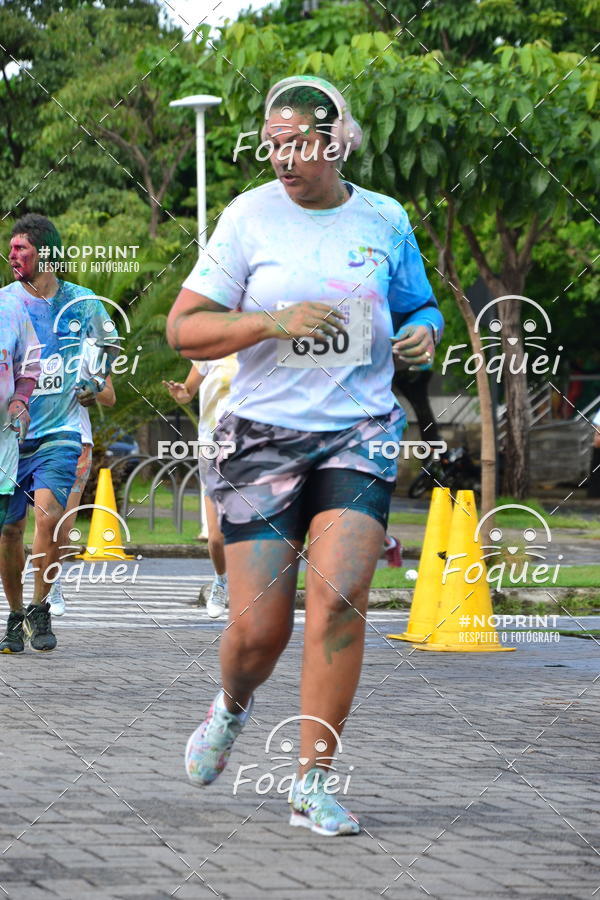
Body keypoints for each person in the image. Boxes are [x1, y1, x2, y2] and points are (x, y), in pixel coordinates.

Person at [167, 76, 443, 835]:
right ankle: (232, 705)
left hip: (358, 433)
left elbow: (419, 304)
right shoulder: (248, 217)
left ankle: (312, 782)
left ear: (336, 141)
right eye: (274, 144)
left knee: (343, 594)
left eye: (299, 143)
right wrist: (270, 322)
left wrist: (427, 329)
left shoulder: (384, 218)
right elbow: (183, 330)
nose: (283, 158)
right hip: (263, 438)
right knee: (261, 631)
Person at [0, 214, 117, 653]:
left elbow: (110, 342)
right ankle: (14, 615)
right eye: (10, 249)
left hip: (61, 430)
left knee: (49, 515)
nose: (11, 256)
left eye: (20, 249)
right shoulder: (5, 303)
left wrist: (94, 381)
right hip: (10, 435)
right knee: (10, 531)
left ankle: (40, 607)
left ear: (44, 254)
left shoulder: (81, 302)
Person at [164, 353, 238, 619]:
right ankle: (221, 581)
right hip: (213, 446)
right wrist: (180, 392)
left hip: (256, 445)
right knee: (216, 538)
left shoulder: (265, 344)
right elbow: (187, 394)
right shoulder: (213, 347)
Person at [47, 337, 116, 616]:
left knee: (62, 522)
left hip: (76, 442)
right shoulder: (21, 338)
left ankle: (51, 582)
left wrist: (91, 389)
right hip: (25, 441)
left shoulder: (90, 347)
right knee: (20, 524)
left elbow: (109, 396)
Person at [0, 296, 41, 652]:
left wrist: (20, 398)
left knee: (8, 530)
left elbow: (29, 365)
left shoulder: (12, 309)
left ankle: (17, 614)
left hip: (3, 443)